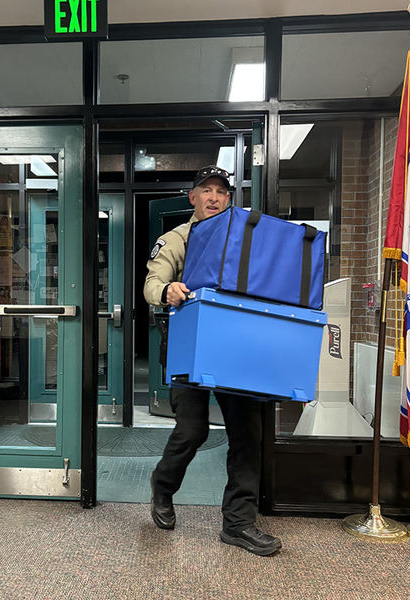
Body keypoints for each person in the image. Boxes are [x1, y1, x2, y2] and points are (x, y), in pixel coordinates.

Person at [143, 165, 282, 557]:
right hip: (190, 345)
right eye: (206, 190)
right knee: (193, 430)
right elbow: (152, 283)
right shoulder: (177, 238)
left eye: (222, 192)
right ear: (192, 198)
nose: (214, 197)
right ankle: (163, 484)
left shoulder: (247, 240)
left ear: (229, 199)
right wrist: (168, 289)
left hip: (237, 348)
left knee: (246, 434)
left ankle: (238, 523)